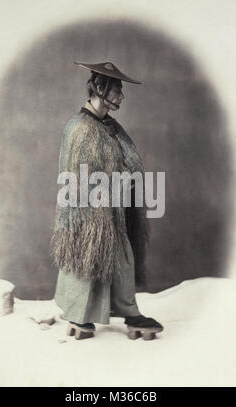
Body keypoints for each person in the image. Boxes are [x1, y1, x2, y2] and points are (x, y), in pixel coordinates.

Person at [50, 61, 163, 340]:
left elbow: (127, 162)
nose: (121, 96)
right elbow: (80, 177)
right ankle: (79, 317)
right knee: (87, 259)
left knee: (121, 255)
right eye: (116, 90)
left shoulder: (109, 126)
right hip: (87, 213)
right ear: (100, 88)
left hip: (113, 208)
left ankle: (129, 311)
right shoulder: (79, 128)